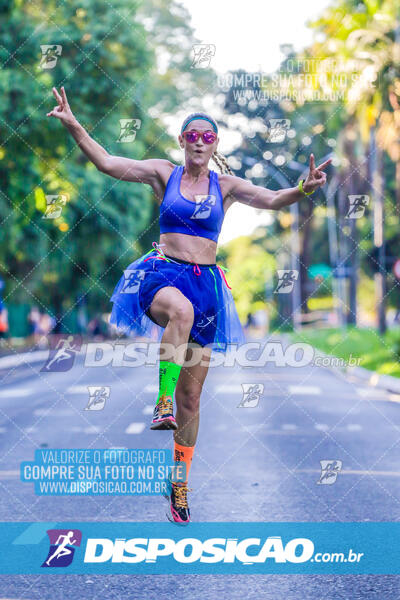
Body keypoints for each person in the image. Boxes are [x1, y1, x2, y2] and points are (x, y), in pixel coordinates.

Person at [47, 86, 331, 524]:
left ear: (215, 144)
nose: (199, 141)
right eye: (191, 135)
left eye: (207, 136)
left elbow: (273, 199)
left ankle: (178, 481)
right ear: (181, 141)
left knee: (193, 399)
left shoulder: (227, 186)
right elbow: (107, 162)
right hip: (162, 274)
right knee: (179, 313)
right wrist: (73, 124)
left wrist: (303, 189)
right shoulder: (163, 174)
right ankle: (161, 399)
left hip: (207, 287)